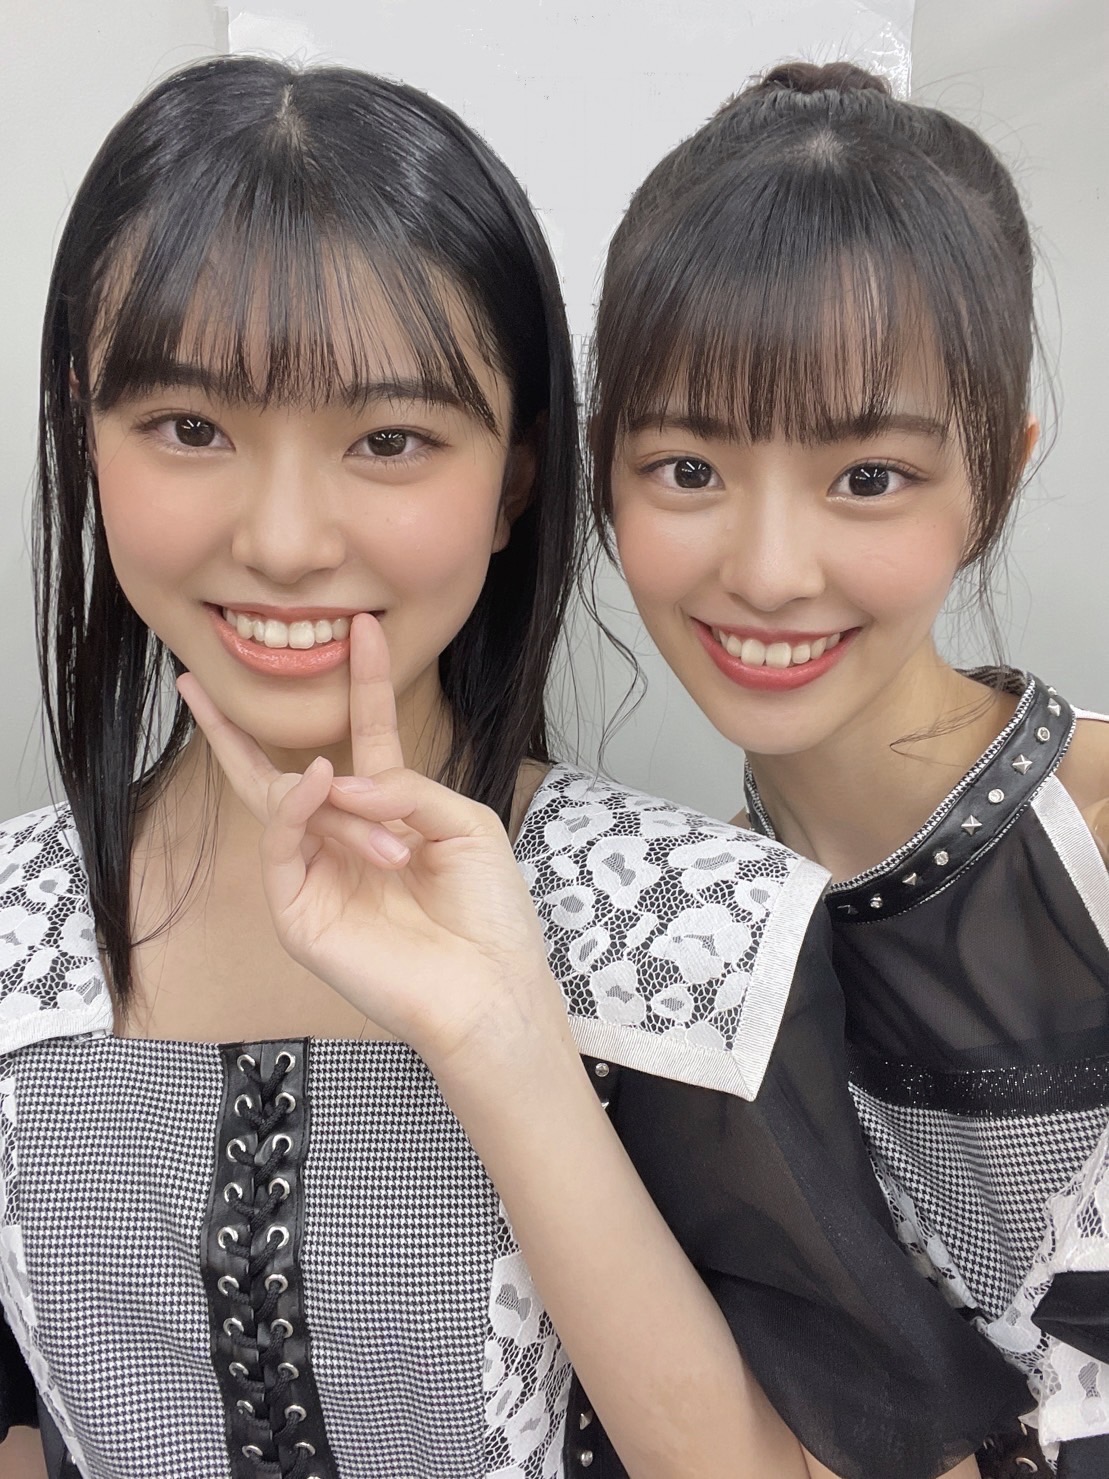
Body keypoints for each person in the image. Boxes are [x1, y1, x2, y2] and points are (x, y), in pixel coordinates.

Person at [0, 54, 1023, 1479]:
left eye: (389, 439)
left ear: (516, 478)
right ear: (83, 432)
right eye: (189, 428)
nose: (284, 540)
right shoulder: (15, 925)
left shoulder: (694, 927)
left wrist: (504, 1042)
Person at [589, 57, 1109, 1479]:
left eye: (867, 476)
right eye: (688, 468)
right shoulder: (678, 942)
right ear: (600, 471)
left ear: (995, 475)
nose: (768, 572)